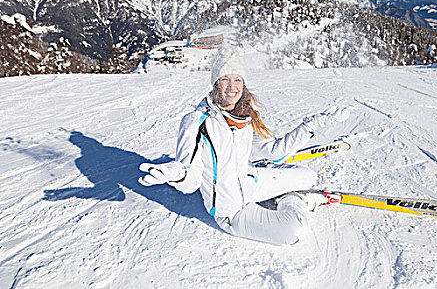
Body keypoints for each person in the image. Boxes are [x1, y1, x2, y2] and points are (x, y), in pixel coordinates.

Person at [138, 45, 351, 245]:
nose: (232, 87)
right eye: (225, 79)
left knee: (309, 176)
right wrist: (176, 174)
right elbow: (191, 179)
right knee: (294, 232)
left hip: (254, 183)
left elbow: (275, 153)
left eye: (237, 79)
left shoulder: (245, 116)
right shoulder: (197, 122)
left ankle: (278, 187)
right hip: (232, 211)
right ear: (215, 84)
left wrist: (313, 124)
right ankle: (296, 198)